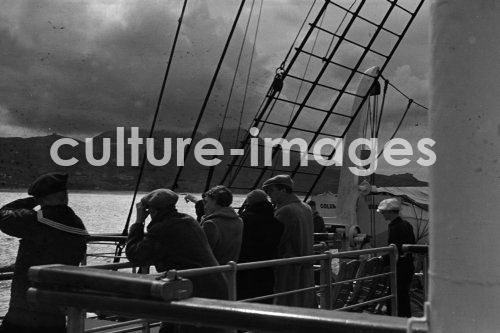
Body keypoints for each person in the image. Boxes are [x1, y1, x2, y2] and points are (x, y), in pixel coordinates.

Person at [125, 189, 228, 333]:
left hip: (194, 292)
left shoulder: (163, 229)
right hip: (209, 286)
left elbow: (135, 254)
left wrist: (139, 222)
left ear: (152, 211)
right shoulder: (188, 220)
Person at [0, 172, 88, 333]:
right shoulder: (78, 226)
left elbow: (3, 216)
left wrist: (31, 201)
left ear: (42, 198)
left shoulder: (37, 220)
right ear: (65, 196)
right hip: (56, 314)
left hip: (25, 313)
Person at [262, 174, 315, 308]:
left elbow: (277, 241)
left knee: (286, 306)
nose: (269, 195)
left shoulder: (284, 211)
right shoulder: (306, 208)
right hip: (306, 267)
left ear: (283, 190)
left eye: (271, 191)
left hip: (288, 269)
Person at [237, 190, 283, 302]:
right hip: (268, 269)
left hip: (246, 270)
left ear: (250, 203)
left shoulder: (245, 220)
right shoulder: (277, 223)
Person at [377, 197, 416, 317]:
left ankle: (394, 321)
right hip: (408, 265)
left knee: (393, 296)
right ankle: (406, 319)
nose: (382, 214)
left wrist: (380, 260)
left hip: (399, 267)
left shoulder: (394, 227)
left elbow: (394, 249)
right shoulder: (407, 225)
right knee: (403, 295)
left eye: (383, 212)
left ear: (390, 211)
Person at [200, 186, 243, 265]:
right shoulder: (238, 221)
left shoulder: (210, 224)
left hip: (212, 273)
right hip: (230, 271)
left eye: (207, 202)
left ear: (214, 201)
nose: (205, 206)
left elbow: (202, 254)